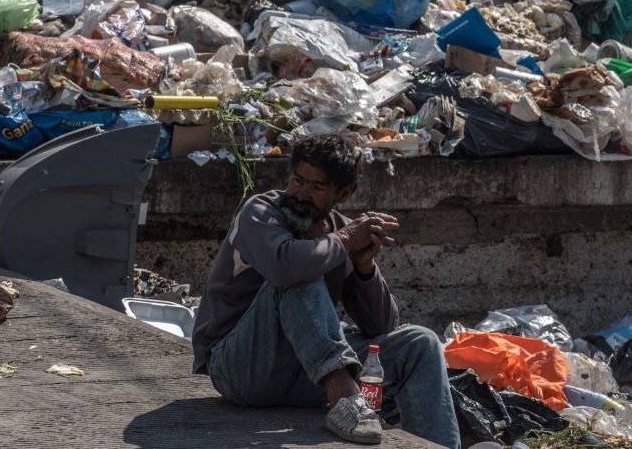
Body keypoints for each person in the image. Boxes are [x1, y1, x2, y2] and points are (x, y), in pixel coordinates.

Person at [191, 134, 460, 448]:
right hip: (239, 369)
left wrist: (364, 268)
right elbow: (286, 267)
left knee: (421, 343)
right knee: (297, 272)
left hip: (303, 373)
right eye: (297, 180)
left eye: (316, 187)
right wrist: (345, 240)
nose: (301, 194)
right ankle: (345, 397)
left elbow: (381, 326)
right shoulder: (260, 213)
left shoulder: (341, 232)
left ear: (344, 193)